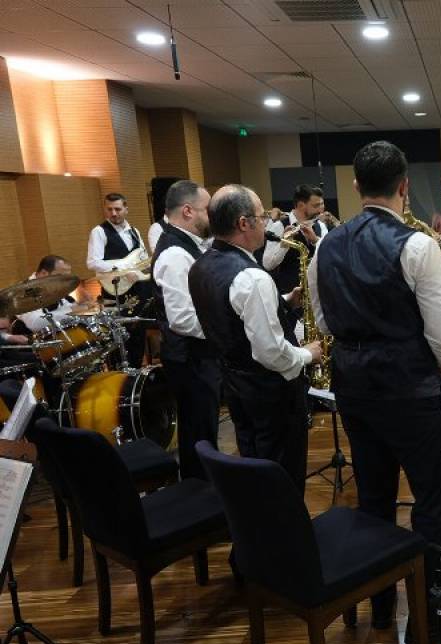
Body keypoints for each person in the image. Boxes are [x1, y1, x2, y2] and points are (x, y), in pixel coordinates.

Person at [307, 140, 441, 643]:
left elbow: (323, 321)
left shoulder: (326, 245)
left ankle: (381, 606)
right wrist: (437, 371)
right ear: (404, 188)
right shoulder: (418, 244)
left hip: (353, 389)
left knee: (374, 496)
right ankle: (430, 623)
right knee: (430, 502)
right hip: (410, 389)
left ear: (357, 187)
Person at [188, 184, 322, 492]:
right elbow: (271, 353)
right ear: (244, 223)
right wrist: (308, 354)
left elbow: (230, 316)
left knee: (254, 468)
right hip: (272, 395)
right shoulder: (252, 276)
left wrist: (284, 301)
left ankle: (258, 533)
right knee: (282, 477)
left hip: (236, 387)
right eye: (261, 217)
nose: (266, 224)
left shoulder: (201, 266)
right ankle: (285, 537)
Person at [150, 179, 219, 480]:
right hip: (190, 358)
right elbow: (183, 320)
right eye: (208, 210)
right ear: (188, 211)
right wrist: (226, 328)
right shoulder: (175, 254)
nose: (211, 217)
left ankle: (205, 491)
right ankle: (200, 496)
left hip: (196, 356)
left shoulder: (187, 246)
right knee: (198, 434)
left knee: (203, 430)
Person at [86, 192, 149, 367]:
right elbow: (92, 263)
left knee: (138, 336)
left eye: (118, 209)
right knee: (120, 340)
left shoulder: (135, 231)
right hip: (115, 292)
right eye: (109, 209)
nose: (113, 213)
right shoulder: (99, 231)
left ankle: (137, 377)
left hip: (137, 290)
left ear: (126, 209)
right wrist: (121, 269)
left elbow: (142, 258)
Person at [262, 184, 328, 295]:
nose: (321, 210)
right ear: (301, 205)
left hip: (317, 294)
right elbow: (268, 264)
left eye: (322, 204)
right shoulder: (279, 226)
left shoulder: (321, 226)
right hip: (291, 296)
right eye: (316, 205)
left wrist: (315, 240)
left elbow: (328, 257)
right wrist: (284, 243)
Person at [17, 255, 77, 333]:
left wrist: (84, 307)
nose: (64, 282)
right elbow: (35, 324)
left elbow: (66, 306)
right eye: (61, 277)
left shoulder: (55, 286)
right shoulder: (22, 293)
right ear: (43, 273)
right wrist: (71, 311)